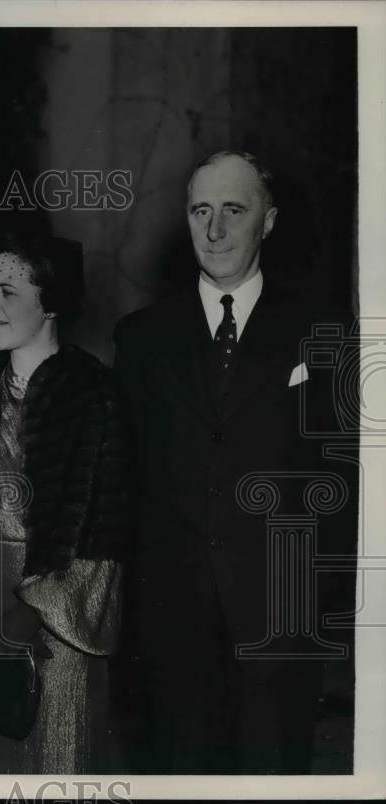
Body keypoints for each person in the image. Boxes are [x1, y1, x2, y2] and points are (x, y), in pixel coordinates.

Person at [113, 150, 356, 773]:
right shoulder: (141, 339)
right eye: (201, 211)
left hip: (281, 624)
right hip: (172, 628)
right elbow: (124, 484)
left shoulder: (321, 330)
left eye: (233, 210)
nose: (215, 230)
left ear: (267, 222)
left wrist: (319, 600)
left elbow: (344, 477)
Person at [0, 223, 131, 773]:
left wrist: (31, 612)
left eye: (8, 291)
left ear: (52, 303)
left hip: (58, 629)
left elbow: (108, 535)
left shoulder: (95, 396)